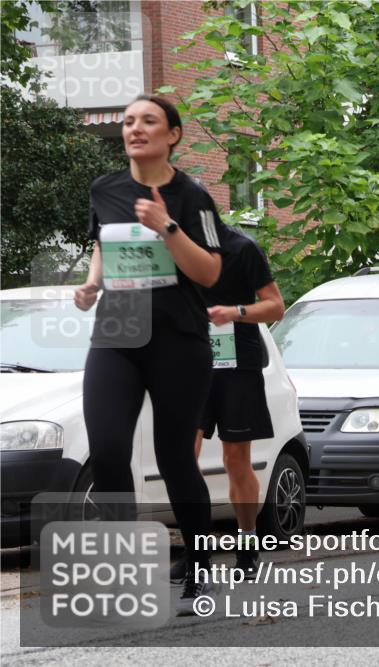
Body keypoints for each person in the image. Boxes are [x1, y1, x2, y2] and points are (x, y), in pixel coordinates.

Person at [73, 95, 225, 615]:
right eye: (129, 121)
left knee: (174, 457)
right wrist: (92, 283)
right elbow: (103, 243)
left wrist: (167, 225)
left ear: (173, 135)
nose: (135, 129)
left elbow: (209, 274)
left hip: (178, 336)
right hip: (117, 328)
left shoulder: (193, 196)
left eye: (149, 121)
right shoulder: (105, 189)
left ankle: (201, 572)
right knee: (109, 450)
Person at [168, 224, 285, 583]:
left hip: (237, 364)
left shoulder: (242, 247)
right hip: (189, 362)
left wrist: (235, 312)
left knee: (236, 459)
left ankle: (247, 544)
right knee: (182, 459)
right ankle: (196, 547)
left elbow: (276, 306)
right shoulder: (170, 246)